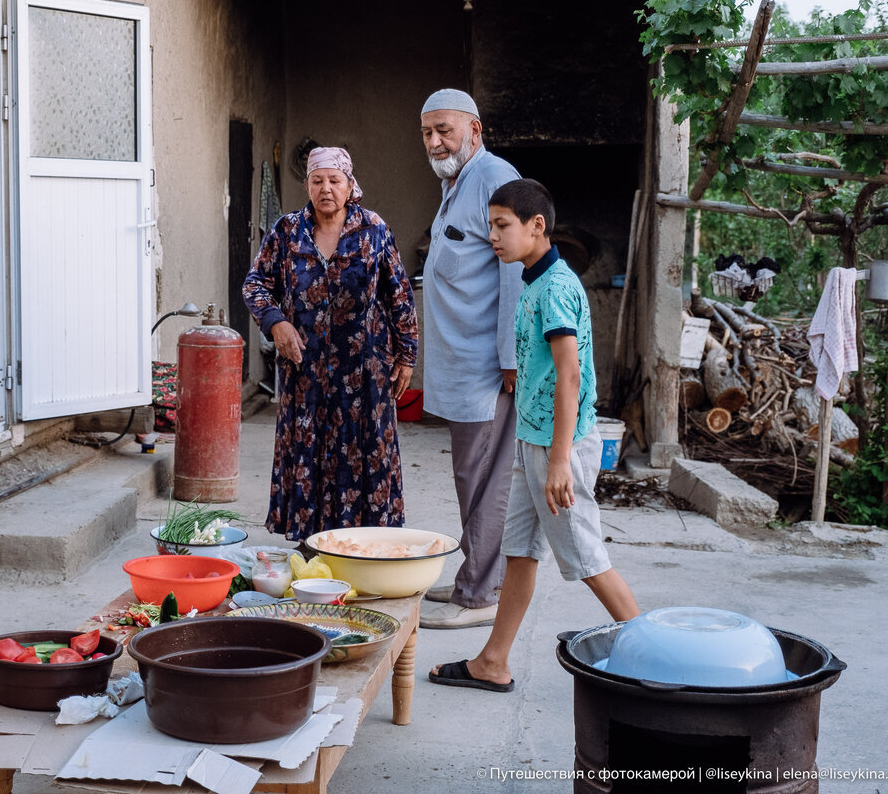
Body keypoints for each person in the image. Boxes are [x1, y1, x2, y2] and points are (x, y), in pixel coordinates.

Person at [429, 179, 639, 692]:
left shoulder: (556, 289)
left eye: (502, 227)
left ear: (536, 226)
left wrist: (561, 460)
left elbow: (570, 374)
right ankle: (492, 662)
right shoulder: (533, 281)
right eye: (491, 226)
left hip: (556, 448)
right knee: (519, 552)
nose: (493, 237)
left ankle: (652, 656)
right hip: (535, 441)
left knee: (586, 558)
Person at [243, 147, 418, 542]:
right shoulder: (287, 232)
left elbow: (400, 295)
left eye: (334, 180)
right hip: (304, 371)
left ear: (350, 185)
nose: (326, 189)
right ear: (307, 185)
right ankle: (313, 547)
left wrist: (407, 355)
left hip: (365, 372)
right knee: (310, 451)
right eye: (317, 181)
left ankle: (366, 545)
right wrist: (276, 322)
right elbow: (255, 284)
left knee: (364, 452)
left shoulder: (373, 229)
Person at [418, 88, 524, 629]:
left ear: (474, 131)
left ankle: (480, 595)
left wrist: (511, 358)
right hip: (461, 363)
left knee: (484, 476)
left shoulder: (495, 179)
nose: (436, 142)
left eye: (446, 130)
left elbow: (515, 270)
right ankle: (478, 573)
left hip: (488, 366)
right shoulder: (456, 183)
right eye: (428, 132)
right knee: (470, 473)